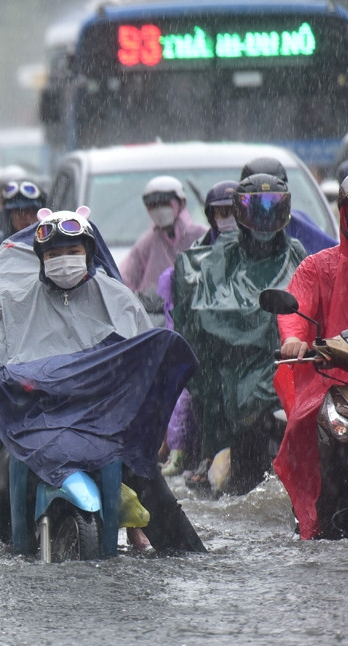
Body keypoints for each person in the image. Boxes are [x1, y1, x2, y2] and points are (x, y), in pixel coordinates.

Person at [0, 208, 206, 554]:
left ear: (88, 253)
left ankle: (170, 546)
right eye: (53, 254)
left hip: (100, 417)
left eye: (72, 252)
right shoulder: (16, 299)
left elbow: (140, 357)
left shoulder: (117, 299)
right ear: (40, 259)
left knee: (148, 480)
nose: (63, 260)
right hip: (34, 415)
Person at [173, 173, 306, 495]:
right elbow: (209, 311)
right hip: (236, 382)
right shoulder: (225, 255)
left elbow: (311, 303)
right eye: (254, 210)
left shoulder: (297, 252)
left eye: (273, 208)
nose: (264, 220)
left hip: (288, 370)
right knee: (244, 482)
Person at [274, 167, 348, 539]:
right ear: (344, 213)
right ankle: (319, 517)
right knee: (314, 435)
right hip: (336, 384)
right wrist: (295, 340)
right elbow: (293, 311)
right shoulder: (319, 267)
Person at [156, 180, 238, 477]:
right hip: (212, 350)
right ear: (210, 214)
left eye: (233, 210)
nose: (227, 217)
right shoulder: (195, 258)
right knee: (198, 389)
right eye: (221, 211)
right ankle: (199, 454)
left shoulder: (266, 248)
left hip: (252, 350)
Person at [121, 176, 208, 322]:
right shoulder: (147, 243)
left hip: (197, 316)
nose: (159, 210)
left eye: (164, 203)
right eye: (153, 205)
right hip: (155, 319)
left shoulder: (201, 236)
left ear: (181, 203)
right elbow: (124, 280)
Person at [240, 157, 336, 255]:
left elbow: (333, 255)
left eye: (274, 197)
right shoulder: (230, 240)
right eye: (260, 199)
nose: (266, 207)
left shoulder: (300, 226)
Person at [0, 179, 46, 277]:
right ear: (10, 214)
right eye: (19, 212)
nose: (26, 217)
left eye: (32, 211)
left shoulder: (49, 244)